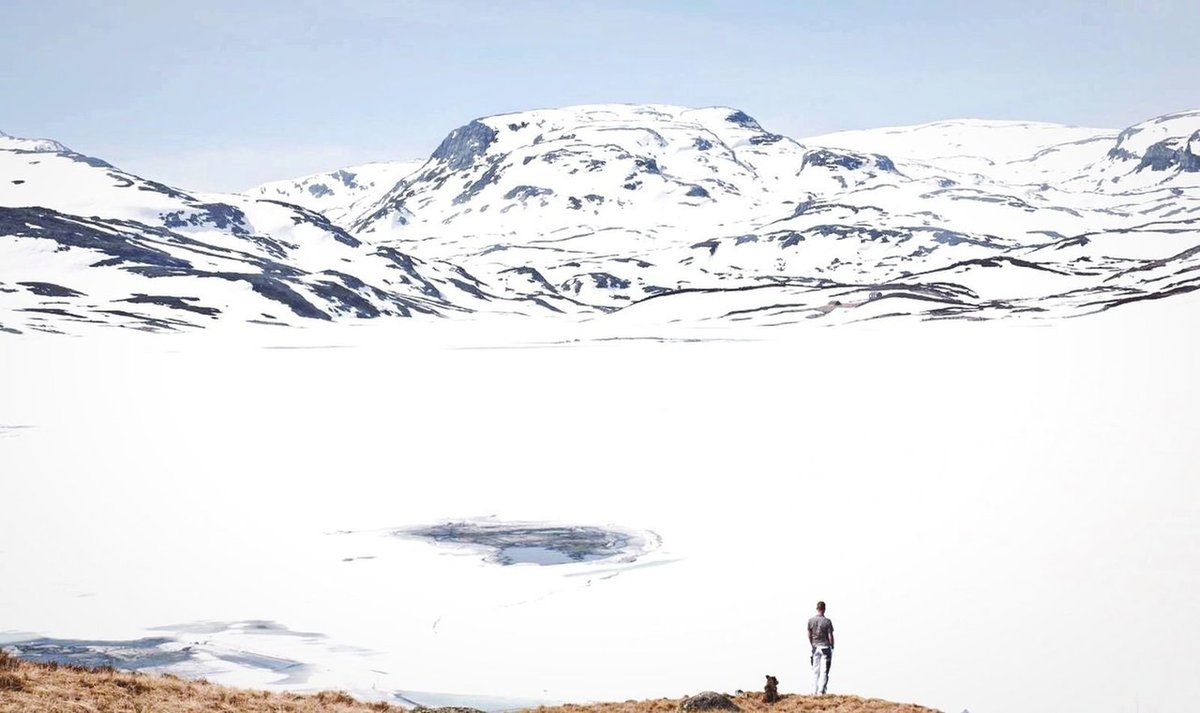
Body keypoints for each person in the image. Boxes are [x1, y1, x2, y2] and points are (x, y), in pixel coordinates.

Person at [807, 600, 834, 694]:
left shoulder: (810, 621)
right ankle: (821, 691)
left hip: (815, 647)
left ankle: (814, 691)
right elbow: (830, 636)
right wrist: (832, 646)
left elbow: (809, 635)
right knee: (824, 670)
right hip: (825, 647)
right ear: (824, 609)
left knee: (815, 670)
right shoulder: (827, 621)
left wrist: (812, 644)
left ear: (817, 608)